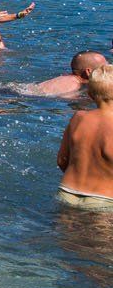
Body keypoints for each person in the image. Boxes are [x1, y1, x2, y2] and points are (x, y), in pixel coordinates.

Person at [56, 65, 113, 209]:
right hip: (102, 201)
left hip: (66, 194)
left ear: (90, 95)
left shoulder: (78, 117)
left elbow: (62, 161)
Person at [34, 51, 109, 98]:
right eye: (104, 67)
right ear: (88, 72)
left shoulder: (66, 77)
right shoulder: (73, 85)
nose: (108, 69)